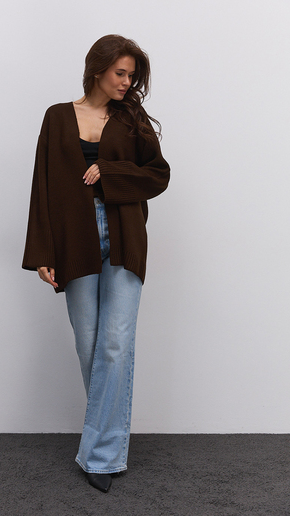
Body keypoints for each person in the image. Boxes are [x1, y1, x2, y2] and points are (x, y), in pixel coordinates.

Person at [22, 34, 170, 493]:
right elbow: (43, 185)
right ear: (97, 69)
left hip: (124, 238)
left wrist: (111, 171)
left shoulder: (132, 120)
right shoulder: (57, 116)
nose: (126, 82)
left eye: (131, 75)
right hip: (74, 240)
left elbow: (158, 175)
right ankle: (108, 441)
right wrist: (43, 253)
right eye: (120, 73)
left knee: (115, 345)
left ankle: (102, 457)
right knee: (89, 344)